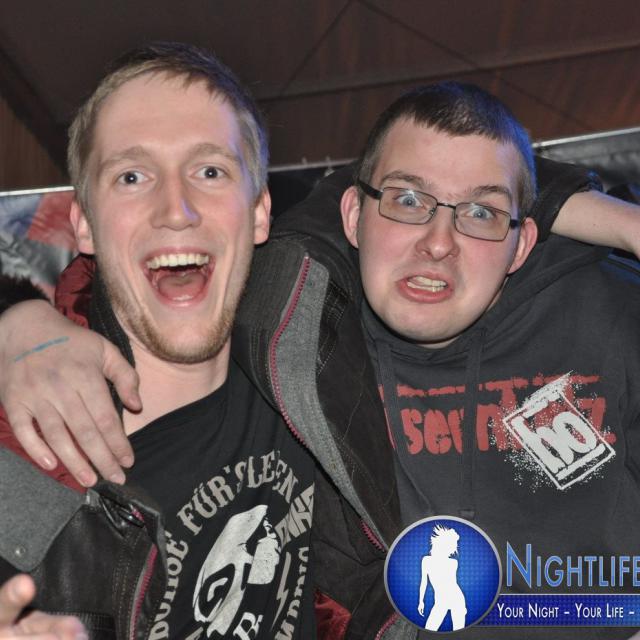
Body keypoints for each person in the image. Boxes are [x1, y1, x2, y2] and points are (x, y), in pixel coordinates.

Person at [2, 80, 640, 640]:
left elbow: (479, 168)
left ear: (521, 242)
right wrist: (17, 320)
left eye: (480, 213)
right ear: (353, 218)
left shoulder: (607, 314)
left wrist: (624, 224)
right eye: (407, 202)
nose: (438, 242)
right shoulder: (304, 346)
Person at [0, 42, 317, 640]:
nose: (176, 209)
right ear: (84, 225)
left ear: (259, 212)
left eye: (210, 171)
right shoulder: (24, 468)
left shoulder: (314, 371)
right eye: (132, 176)